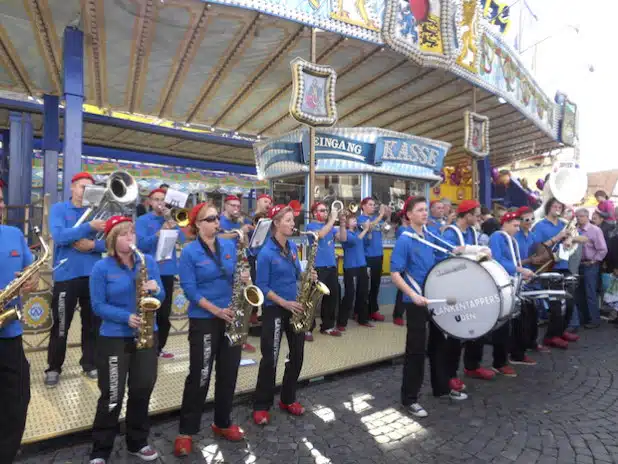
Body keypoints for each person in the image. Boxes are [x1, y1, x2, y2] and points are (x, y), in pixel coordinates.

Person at [173, 203, 248, 456]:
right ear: (198, 224)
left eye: (217, 218)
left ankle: (222, 422)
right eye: (211, 219)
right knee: (200, 375)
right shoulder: (189, 252)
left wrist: (245, 277)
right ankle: (186, 431)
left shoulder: (228, 246)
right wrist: (216, 311)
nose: (217, 223)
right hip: (204, 317)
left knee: (228, 372)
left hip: (230, 315)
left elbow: (236, 275)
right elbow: (190, 290)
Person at [88, 216, 164, 464]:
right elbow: (97, 305)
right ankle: (101, 449)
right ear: (112, 239)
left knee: (142, 389)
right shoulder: (101, 268)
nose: (130, 238)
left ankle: (137, 441)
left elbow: (161, 294)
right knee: (112, 394)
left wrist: (156, 288)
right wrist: (125, 317)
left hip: (146, 335)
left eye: (132, 233)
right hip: (114, 337)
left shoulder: (147, 261)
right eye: (123, 234)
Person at [391, 196, 468, 418]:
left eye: (426, 210)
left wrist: (470, 250)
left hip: (433, 299)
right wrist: (413, 295)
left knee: (438, 345)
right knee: (415, 351)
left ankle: (441, 387)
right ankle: (409, 399)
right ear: (409, 215)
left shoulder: (429, 235)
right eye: (420, 210)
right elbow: (395, 273)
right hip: (416, 302)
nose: (425, 213)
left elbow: (449, 252)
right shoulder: (405, 240)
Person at [252, 204, 317, 425]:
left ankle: (288, 398)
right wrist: (284, 303)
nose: (292, 224)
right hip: (275, 309)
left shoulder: (290, 247)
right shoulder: (265, 252)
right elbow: (261, 286)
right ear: (276, 223)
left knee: (297, 355)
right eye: (288, 220)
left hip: (295, 307)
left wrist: (309, 275)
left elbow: (298, 273)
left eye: (292, 220)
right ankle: (261, 405)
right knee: (270, 358)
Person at [45, 172, 107, 387]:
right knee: (61, 325)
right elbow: (60, 237)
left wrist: (93, 246)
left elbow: (110, 243)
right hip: (66, 276)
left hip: (93, 276)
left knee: (92, 325)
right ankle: (54, 367)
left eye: (90, 188)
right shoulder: (59, 209)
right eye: (82, 187)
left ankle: (89, 364)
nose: (85, 191)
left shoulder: (100, 212)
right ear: (72, 188)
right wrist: (88, 227)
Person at [0, 186, 39, 463]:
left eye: (0, 200)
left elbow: (30, 271)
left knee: (17, 399)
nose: (0, 206)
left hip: (9, 332)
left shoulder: (13, 234)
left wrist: (31, 280)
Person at [442, 200, 490, 383]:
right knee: (455, 333)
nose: (479, 218)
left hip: (472, 285)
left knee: (477, 328)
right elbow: (447, 256)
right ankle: (450, 375)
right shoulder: (450, 233)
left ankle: (473, 366)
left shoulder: (472, 232)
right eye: (476, 215)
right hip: (455, 288)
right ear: (467, 215)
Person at [135, 188, 186, 359]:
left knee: (165, 314)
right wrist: (159, 232)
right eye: (156, 199)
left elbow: (185, 240)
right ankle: (146, 345)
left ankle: (159, 348)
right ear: (149, 202)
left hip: (168, 270)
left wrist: (174, 225)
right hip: (149, 271)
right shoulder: (142, 221)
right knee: (148, 310)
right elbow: (141, 245)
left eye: (163, 200)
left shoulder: (171, 219)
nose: (160, 203)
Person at [487, 212, 536, 373]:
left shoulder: (511, 239)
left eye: (517, 225)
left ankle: (516, 353)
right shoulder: (497, 237)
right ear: (505, 223)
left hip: (512, 283)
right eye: (514, 225)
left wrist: (521, 273)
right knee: (503, 325)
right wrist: (519, 270)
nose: (517, 228)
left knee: (518, 321)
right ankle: (499, 362)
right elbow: (497, 260)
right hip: (502, 284)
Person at [530, 198, 579, 349]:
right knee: (556, 305)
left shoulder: (565, 224)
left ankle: (560, 331)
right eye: (554, 206)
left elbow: (577, 237)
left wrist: (570, 239)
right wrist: (557, 238)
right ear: (548, 208)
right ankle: (551, 336)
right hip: (549, 267)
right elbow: (536, 247)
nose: (557, 208)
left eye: (560, 206)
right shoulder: (539, 225)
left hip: (563, 265)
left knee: (569, 303)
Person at [218, 194, 256, 352]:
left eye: (238, 206)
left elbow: (246, 244)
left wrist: (244, 234)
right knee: (229, 302)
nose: (235, 209)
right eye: (232, 205)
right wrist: (239, 231)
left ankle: (240, 336)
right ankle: (226, 335)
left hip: (241, 264)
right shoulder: (219, 221)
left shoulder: (240, 221)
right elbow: (219, 237)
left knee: (243, 302)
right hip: (225, 266)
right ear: (225, 206)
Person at [305, 202, 344, 339]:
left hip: (331, 266)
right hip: (317, 267)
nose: (326, 212)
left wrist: (343, 223)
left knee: (332, 297)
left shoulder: (330, 226)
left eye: (326, 210)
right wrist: (333, 219)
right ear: (314, 213)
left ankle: (327, 326)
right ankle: (307, 328)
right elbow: (320, 235)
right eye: (322, 210)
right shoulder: (311, 226)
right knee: (312, 298)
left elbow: (342, 238)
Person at [513, 206, 549, 353]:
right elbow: (514, 261)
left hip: (533, 277)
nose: (530, 222)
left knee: (534, 312)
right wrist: (529, 261)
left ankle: (532, 341)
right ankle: (520, 345)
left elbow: (540, 254)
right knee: (522, 315)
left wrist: (543, 258)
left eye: (532, 218)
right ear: (519, 220)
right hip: (520, 279)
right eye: (526, 219)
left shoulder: (533, 236)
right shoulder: (515, 237)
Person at [358, 198, 391, 322]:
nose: (373, 207)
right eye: (370, 205)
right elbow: (369, 228)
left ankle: (373, 310)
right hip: (367, 256)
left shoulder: (377, 218)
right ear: (363, 206)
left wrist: (387, 216)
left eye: (374, 205)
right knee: (364, 286)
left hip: (378, 254)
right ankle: (361, 312)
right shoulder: (360, 219)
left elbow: (386, 229)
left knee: (375, 285)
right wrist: (381, 215)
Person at [339, 211, 372, 329]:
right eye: (352, 220)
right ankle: (341, 322)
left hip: (362, 265)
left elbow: (366, 242)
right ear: (346, 223)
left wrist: (369, 231)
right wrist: (365, 229)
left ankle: (363, 319)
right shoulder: (346, 233)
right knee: (349, 294)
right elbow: (355, 241)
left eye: (355, 219)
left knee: (363, 293)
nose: (355, 221)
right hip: (350, 267)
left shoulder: (358, 232)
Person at [574, 208, 607, 328]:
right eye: (577, 216)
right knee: (580, 293)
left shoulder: (595, 230)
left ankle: (594, 320)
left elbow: (603, 249)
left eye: (581, 216)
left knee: (590, 292)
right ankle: (585, 318)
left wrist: (593, 261)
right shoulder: (575, 230)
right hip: (579, 264)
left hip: (591, 265)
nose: (579, 218)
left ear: (587, 217)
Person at [393, 211, 411, 326]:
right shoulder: (401, 230)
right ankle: (398, 315)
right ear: (405, 218)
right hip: (404, 263)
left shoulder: (410, 229)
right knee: (402, 290)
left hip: (411, 263)